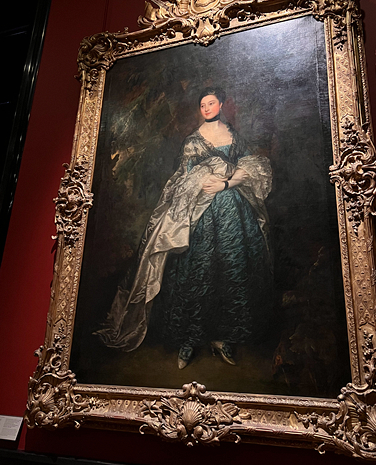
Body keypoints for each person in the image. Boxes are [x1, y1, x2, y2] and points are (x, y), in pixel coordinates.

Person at [95, 87, 273, 369]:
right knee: (196, 272)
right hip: (198, 214)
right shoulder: (192, 141)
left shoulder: (234, 136)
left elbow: (251, 166)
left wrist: (226, 183)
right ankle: (189, 340)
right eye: (202, 104)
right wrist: (202, 178)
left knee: (231, 270)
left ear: (221, 104)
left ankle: (223, 338)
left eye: (211, 103)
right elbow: (182, 177)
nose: (207, 108)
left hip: (233, 213)